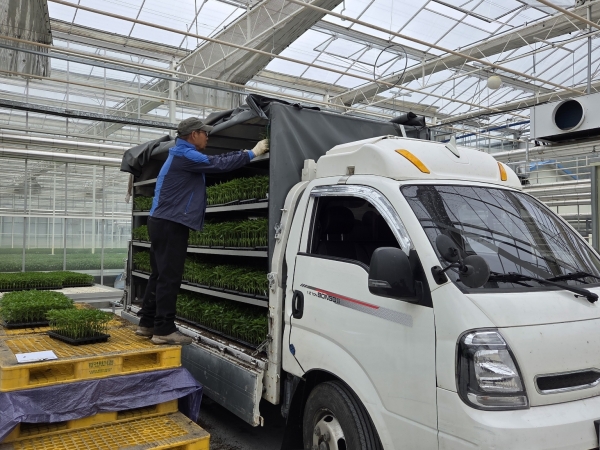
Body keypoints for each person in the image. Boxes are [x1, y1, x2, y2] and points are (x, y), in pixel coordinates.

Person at [136, 117, 269, 345]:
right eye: (204, 132)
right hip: (171, 223)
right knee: (169, 277)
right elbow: (218, 164)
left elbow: (215, 159)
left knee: (159, 274)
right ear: (193, 135)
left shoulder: (180, 153)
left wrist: (245, 152)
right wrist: (252, 153)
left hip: (161, 221)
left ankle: (147, 323)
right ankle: (163, 330)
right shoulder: (185, 155)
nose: (207, 136)